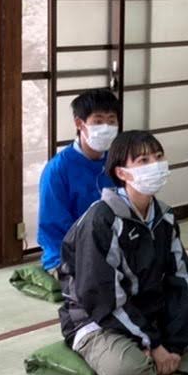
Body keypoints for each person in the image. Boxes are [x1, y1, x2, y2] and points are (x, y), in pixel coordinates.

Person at [58, 130, 188, 375]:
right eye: (143, 161)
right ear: (122, 173)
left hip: (148, 311)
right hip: (97, 319)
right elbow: (101, 297)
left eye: (158, 157)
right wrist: (153, 343)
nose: (155, 165)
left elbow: (181, 281)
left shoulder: (164, 217)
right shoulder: (101, 220)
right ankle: (137, 360)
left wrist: (175, 345)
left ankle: (152, 361)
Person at [37, 88, 122, 275]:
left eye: (111, 121)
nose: (106, 127)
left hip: (113, 246)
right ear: (79, 123)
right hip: (69, 252)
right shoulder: (58, 169)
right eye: (98, 121)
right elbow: (53, 226)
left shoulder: (118, 161)